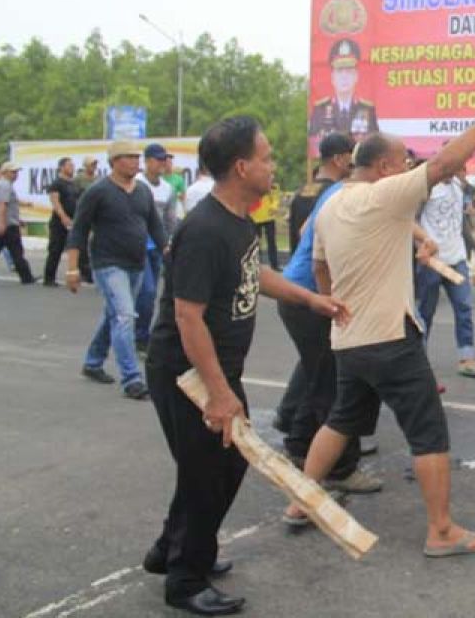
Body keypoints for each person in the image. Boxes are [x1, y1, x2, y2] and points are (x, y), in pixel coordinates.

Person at [282, 97, 475, 559]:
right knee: (428, 430)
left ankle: (301, 501)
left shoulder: (333, 204)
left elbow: (320, 265)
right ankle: (442, 530)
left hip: (349, 337)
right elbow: (449, 161)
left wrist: (339, 306)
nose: (409, 166)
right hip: (390, 338)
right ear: (386, 166)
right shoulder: (385, 193)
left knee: (341, 419)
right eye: (403, 161)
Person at [142, 116, 348, 616]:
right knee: (208, 472)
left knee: (219, 464)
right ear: (241, 166)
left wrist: (309, 298)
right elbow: (187, 317)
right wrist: (217, 391)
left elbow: (254, 272)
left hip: (214, 370)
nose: (272, 165)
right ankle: (185, 580)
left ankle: (168, 552)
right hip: (186, 372)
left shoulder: (237, 220)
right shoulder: (205, 229)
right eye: (266, 157)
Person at [66, 141, 167, 400]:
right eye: (129, 157)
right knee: (124, 316)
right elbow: (78, 230)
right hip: (108, 264)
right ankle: (132, 379)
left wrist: (170, 253)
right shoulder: (98, 191)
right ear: (115, 161)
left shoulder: (143, 191)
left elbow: (156, 227)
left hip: (137, 262)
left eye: (137, 157)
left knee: (115, 314)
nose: (136, 162)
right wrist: (72, 269)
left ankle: (93, 361)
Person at [274, 132, 355, 436]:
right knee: (325, 373)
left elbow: (302, 232)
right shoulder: (336, 192)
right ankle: (309, 440)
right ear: (339, 158)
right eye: (351, 154)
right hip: (311, 286)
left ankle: (287, 415)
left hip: (298, 281)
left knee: (314, 362)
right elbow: (322, 244)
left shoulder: (304, 191)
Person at [416, 174, 475, 379]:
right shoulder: (428, 186)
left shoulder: (458, 186)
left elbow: (461, 221)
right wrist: (420, 247)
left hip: (456, 259)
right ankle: (421, 360)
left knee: (464, 307)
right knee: (425, 312)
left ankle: (467, 358)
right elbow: (413, 220)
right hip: (432, 261)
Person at [137, 143, 180, 351]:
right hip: (137, 246)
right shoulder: (136, 183)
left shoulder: (167, 188)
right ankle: (142, 336)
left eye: (165, 159)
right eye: (158, 159)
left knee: (153, 294)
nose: (163, 163)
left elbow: (170, 220)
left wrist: (171, 242)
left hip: (158, 246)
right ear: (147, 161)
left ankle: (140, 330)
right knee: (147, 291)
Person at [308, 38, 378, 141]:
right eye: (340, 71)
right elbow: (313, 144)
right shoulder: (320, 109)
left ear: (356, 76)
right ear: (332, 77)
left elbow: (374, 144)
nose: (344, 76)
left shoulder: (367, 109)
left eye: (349, 71)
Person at [0, 161, 35, 284]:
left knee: (15, 251)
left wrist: (18, 220)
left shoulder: (4, 185)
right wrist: (1, 222)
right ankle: (26, 277)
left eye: (16, 172)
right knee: (16, 252)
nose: (16, 174)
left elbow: (9, 206)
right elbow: (2, 204)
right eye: (13, 172)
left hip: (8, 223)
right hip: (6, 225)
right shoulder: (4, 185)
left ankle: (27, 277)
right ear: (5, 172)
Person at [43, 157, 80, 287]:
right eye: (69, 165)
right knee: (56, 249)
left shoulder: (74, 183)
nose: (72, 168)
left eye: (73, 165)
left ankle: (78, 274)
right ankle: (49, 278)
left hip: (74, 220)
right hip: (60, 222)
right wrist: (63, 217)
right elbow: (55, 202)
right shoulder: (57, 183)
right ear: (62, 167)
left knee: (76, 248)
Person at [72, 155, 100, 283]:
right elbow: (74, 196)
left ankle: (91, 269)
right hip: (83, 212)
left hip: (96, 213)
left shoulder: (97, 179)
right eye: (92, 164)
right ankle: (82, 269)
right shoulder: (78, 179)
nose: (94, 167)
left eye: (95, 164)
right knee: (81, 241)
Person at [249, 184, 282, 271]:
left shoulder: (273, 185)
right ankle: (257, 266)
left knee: (272, 242)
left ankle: (274, 266)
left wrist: (273, 207)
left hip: (269, 217)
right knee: (256, 243)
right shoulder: (252, 183)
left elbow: (276, 197)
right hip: (255, 217)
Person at [162, 155, 188, 220]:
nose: (169, 164)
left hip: (175, 211)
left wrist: (175, 195)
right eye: (167, 162)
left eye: (170, 162)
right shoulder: (159, 178)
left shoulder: (178, 179)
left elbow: (183, 197)